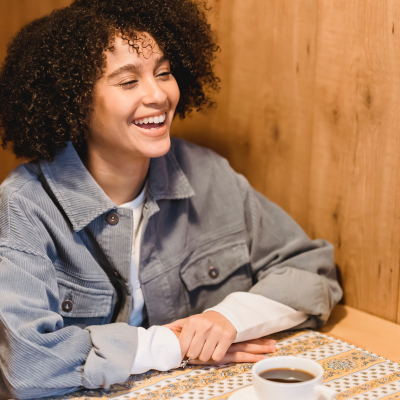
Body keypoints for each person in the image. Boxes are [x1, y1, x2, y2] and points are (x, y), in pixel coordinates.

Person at [0, 1, 342, 398]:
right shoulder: (21, 208)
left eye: (163, 73)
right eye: (128, 82)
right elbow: (25, 364)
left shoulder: (208, 174)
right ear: (74, 102)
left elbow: (311, 269)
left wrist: (228, 317)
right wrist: (172, 345)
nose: (158, 94)